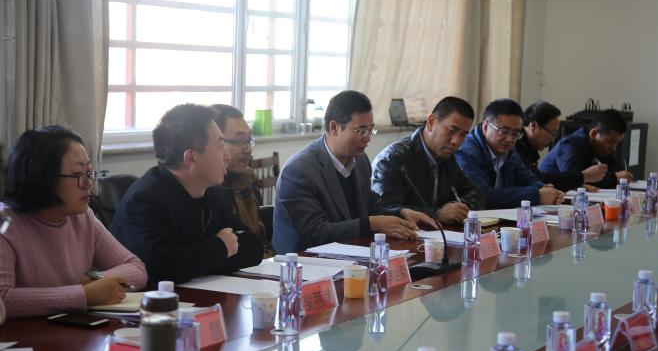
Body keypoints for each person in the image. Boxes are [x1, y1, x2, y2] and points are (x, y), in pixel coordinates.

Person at [0, 126, 147, 319]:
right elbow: (4, 299)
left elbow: (136, 268)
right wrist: (84, 294)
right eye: (78, 174)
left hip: (72, 328)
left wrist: (97, 281)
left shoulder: (82, 217)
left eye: (89, 173)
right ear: (42, 178)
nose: (88, 183)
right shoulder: (5, 224)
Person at [110, 104, 263, 287]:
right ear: (190, 158)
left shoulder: (215, 194)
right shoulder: (145, 201)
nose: (227, 156)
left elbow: (253, 248)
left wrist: (200, 259)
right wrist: (220, 248)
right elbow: (158, 269)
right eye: (220, 146)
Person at [272, 90, 434, 255]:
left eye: (371, 130)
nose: (368, 138)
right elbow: (315, 233)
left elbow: (373, 208)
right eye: (361, 131)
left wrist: (402, 213)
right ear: (334, 128)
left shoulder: (360, 161)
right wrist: (372, 224)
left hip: (349, 255)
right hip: (302, 263)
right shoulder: (299, 170)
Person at [371, 96, 485, 225]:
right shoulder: (392, 159)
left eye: (463, 135)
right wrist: (436, 214)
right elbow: (384, 209)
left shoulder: (447, 158)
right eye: (451, 131)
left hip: (440, 233)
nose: (456, 141)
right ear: (431, 122)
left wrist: (458, 209)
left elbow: (476, 195)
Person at [455, 99, 565, 208]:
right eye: (504, 131)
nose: (510, 139)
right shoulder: (466, 152)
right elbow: (481, 195)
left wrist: (544, 189)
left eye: (515, 134)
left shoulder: (508, 151)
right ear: (485, 127)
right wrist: (537, 195)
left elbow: (526, 177)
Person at [211, 104, 275, 257]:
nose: (248, 149)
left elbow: (259, 239)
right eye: (239, 141)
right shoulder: (207, 190)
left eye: (248, 140)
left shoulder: (246, 181)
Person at [517, 101, 607, 192]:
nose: (552, 140)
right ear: (533, 126)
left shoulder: (527, 148)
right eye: (552, 133)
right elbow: (538, 178)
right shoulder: (516, 146)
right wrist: (585, 176)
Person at [539, 108, 633, 189]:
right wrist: (614, 178)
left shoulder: (600, 147)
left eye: (617, 142)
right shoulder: (571, 145)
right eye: (610, 141)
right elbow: (575, 179)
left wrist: (621, 175)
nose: (613, 148)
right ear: (594, 134)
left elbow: (616, 169)